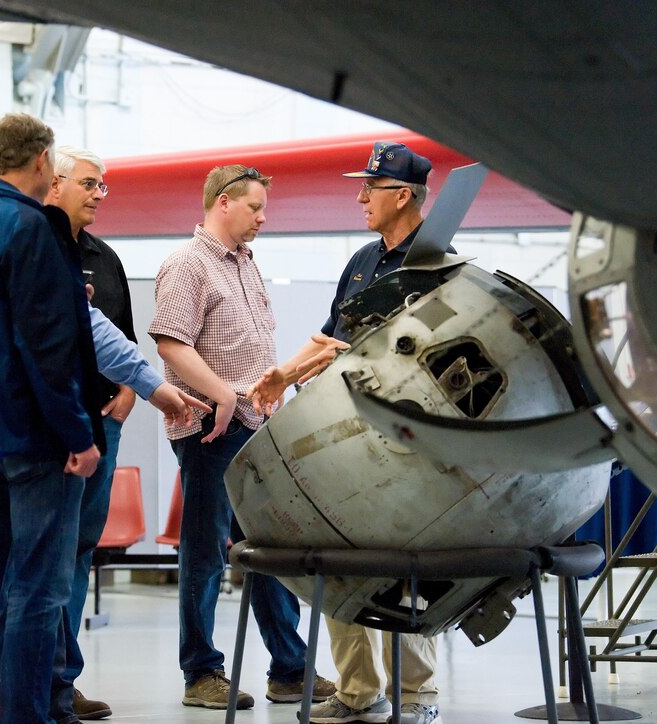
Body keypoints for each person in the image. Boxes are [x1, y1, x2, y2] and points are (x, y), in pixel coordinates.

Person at [0, 113, 207, 724]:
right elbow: (49, 347)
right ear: (41, 163)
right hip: (35, 441)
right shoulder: (33, 227)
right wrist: (78, 435)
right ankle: (27, 715)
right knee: (39, 588)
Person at [248, 141, 443, 724]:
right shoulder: (362, 260)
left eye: (371, 188)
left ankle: (415, 695)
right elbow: (331, 333)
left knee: (405, 562)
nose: (359, 197)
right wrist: (284, 373)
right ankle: (359, 690)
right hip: (346, 437)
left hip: (405, 440)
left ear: (402, 196)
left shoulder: (437, 264)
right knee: (337, 552)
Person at [148, 164, 336, 711]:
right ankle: (201, 673)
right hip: (211, 427)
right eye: (255, 207)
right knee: (205, 552)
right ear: (224, 202)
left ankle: (289, 668)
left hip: (254, 427)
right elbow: (170, 342)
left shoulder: (247, 265)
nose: (262, 217)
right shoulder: (187, 264)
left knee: (272, 549)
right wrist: (222, 395)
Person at [44, 145, 133, 721]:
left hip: (102, 424)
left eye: (103, 185)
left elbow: (120, 339)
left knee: (78, 552)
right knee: (45, 554)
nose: (100, 194)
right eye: (90, 183)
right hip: (52, 430)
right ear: (54, 183)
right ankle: (38, 675)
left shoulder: (105, 258)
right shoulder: (36, 247)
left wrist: (127, 396)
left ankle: (64, 676)